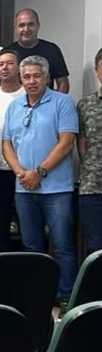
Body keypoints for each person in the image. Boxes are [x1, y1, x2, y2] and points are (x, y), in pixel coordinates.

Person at [2, 55, 78, 309]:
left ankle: (66, 295)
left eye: (37, 76)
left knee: (62, 245)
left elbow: (66, 142)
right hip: (23, 188)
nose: (31, 81)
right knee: (31, 245)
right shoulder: (14, 106)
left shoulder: (62, 102)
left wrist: (40, 172)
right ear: (20, 78)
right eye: (27, 76)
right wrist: (20, 172)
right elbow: (6, 143)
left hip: (56, 188)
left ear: (46, 77)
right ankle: (36, 295)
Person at [0, 49, 25, 250]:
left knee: (27, 224)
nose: (5, 68)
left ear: (19, 67)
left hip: (25, 171)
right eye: (0, 64)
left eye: (9, 63)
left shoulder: (29, 94)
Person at [4, 8, 70, 92]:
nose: (26, 29)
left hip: (46, 103)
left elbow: (63, 83)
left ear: (38, 26)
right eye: (21, 25)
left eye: (30, 24)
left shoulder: (52, 50)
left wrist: (56, 103)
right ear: (15, 28)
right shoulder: (7, 52)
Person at [78, 48, 102, 254]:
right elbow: (81, 144)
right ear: (97, 70)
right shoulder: (85, 105)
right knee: (95, 246)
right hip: (92, 187)